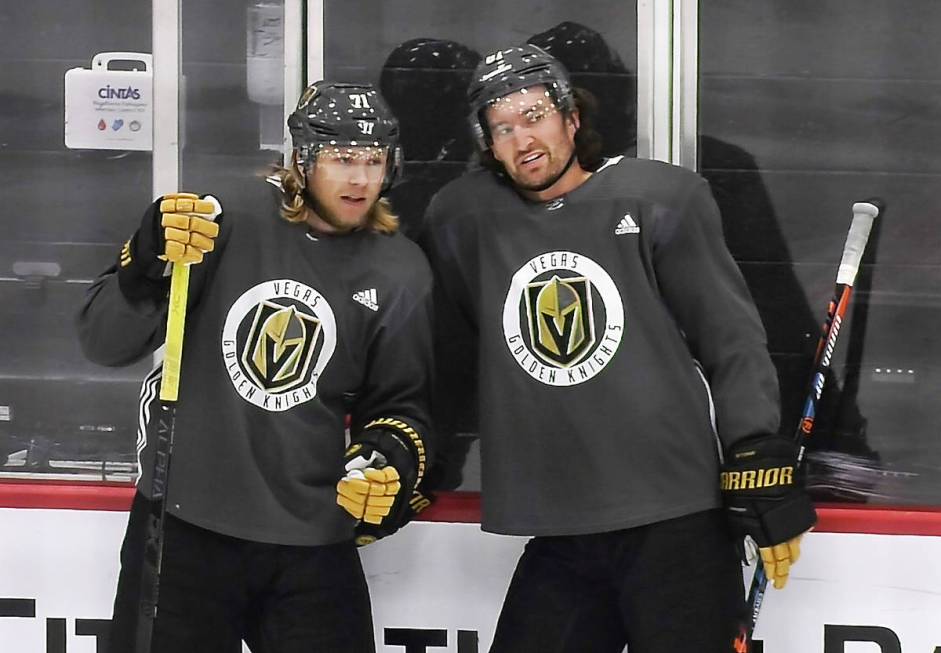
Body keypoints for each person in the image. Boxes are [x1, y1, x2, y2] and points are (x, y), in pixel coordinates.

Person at [421, 45, 816, 652]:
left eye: (534, 117)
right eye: (502, 128)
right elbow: (455, 351)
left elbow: (729, 337)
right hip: (560, 524)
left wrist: (754, 444)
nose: (522, 139)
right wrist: (427, 452)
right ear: (486, 145)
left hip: (676, 519)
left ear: (571, 118)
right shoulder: (462, 219)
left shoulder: (662, 201)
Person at [77, 81, 433, 652]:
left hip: (312, 541)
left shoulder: (400, 269)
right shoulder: (220, 221)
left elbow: (400, 404)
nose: (361, 179)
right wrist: (143, 264)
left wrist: (385, 461)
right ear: (302, 159)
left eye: (374, 161)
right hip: (182, 528)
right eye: (343, 160)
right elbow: (102, 341)